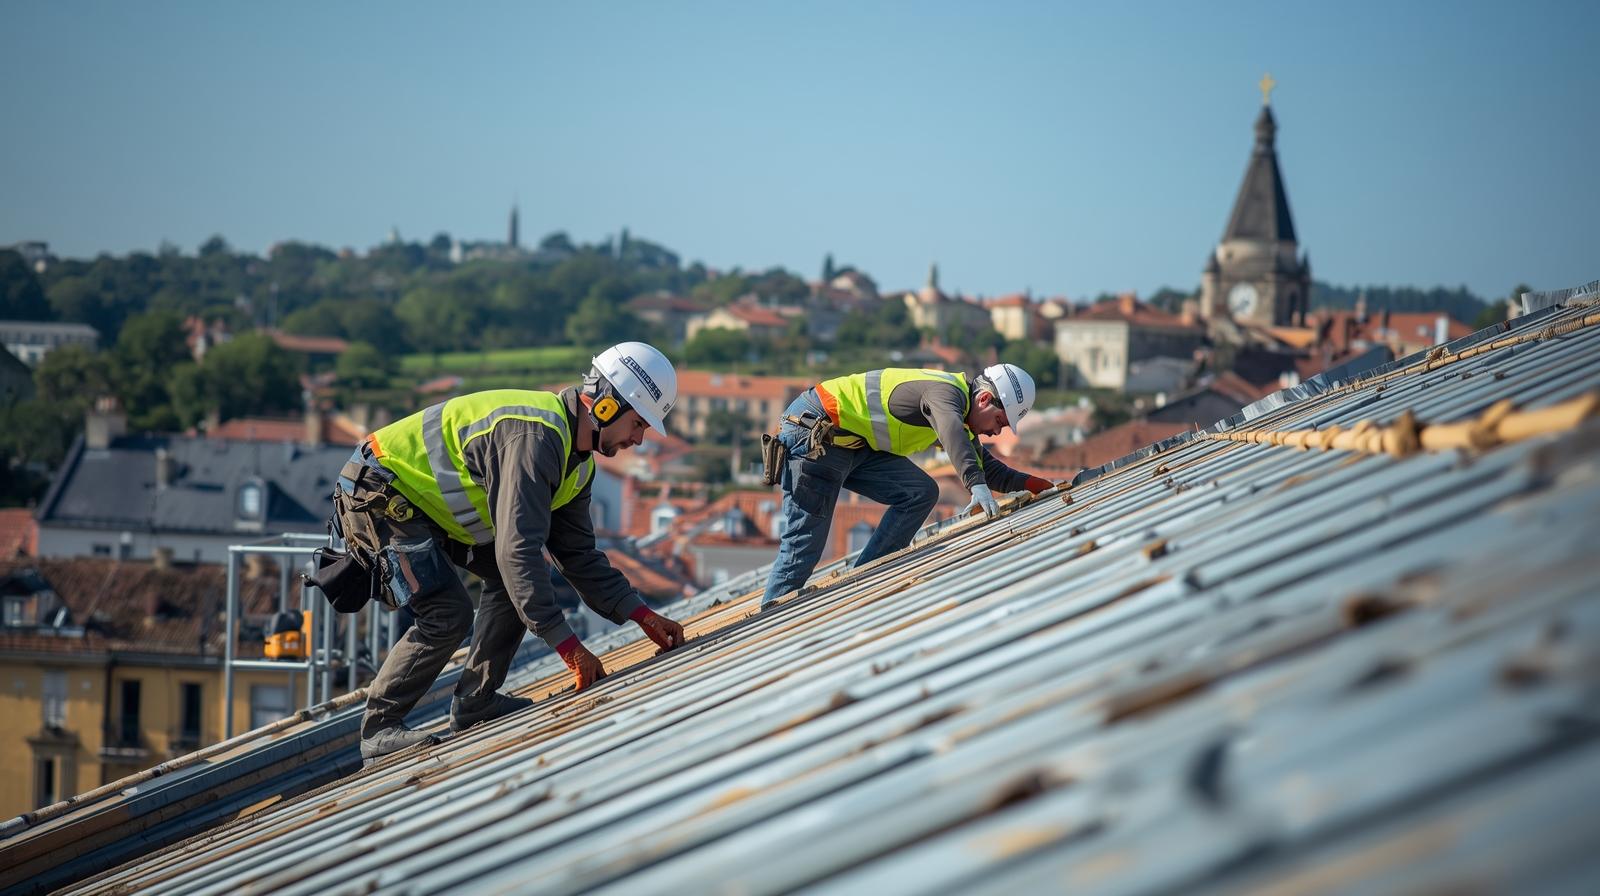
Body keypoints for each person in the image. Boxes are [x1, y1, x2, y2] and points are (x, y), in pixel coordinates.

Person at [336, 341, 688, 764]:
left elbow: (578, 556)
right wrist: (568, 647)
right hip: (379, 491)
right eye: (638, 424)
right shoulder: (534, 439)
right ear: (607, 405)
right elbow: (517, 552)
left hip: (426, 508)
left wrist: (640, 614)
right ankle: (379, 729)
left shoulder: (578, 466)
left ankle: (476, 701)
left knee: (513, 582)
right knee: (449, 612)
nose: (639, 439)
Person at [761, 364, 1054, 609]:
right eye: (1000, 421)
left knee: (920, 493)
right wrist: (975, 484)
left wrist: (1033, 484)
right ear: (984, 399)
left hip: (853, 445)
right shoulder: (945, 395)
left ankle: (862, 581)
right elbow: (951, 430)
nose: (996, 432)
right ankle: (769, 623)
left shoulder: (959, 416)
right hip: (815, 435)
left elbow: (987, 468)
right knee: (802, 547)